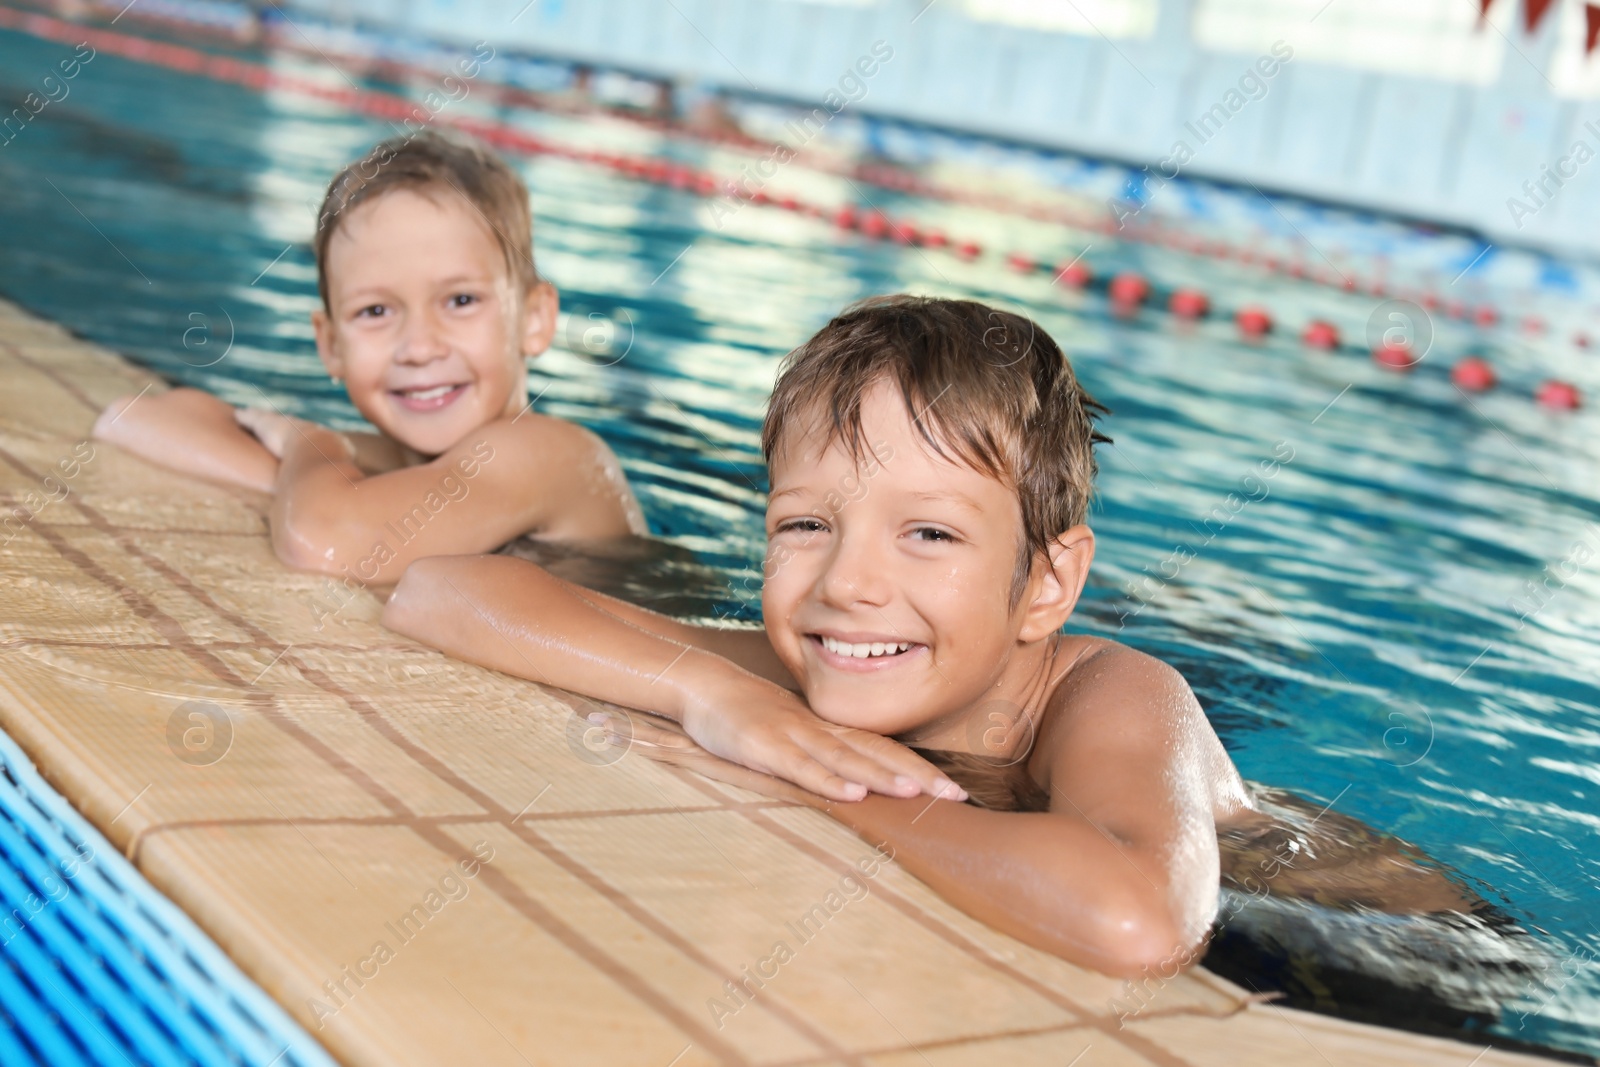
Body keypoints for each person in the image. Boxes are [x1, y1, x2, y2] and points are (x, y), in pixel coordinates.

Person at [382, 295, 1261, 977]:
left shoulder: (1114, 692)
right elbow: (441, 590)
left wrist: (819, 785)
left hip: (1340, 942)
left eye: (930, 534)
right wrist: (707, 690)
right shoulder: (824, 660)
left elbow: (1139, 920)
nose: (846, 582)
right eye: (805, 525)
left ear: (1048, 584)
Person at [92, 130, 644, 584]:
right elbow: (136, 417)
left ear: (534, 319)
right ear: (330, 345)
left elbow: (326, 539)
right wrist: (315, 481)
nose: (420, 347)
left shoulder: (547, 452)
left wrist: (311, 454)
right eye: (376, 311)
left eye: (460, 300)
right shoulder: (399, 462)